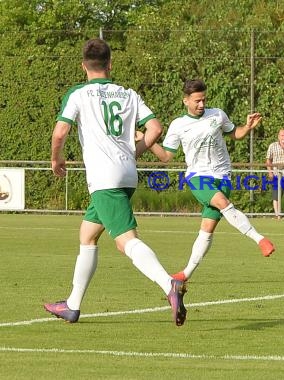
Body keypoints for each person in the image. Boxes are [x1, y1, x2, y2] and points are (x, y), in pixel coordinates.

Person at [44, 38, 187, 326]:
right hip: (126, 174)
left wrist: (56, 160)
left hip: (104, 177)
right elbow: (155, 128)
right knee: (88, 235)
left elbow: (60, 133)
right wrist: (135, 151)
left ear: (84, 66)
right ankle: (72, 305)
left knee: (125, 242)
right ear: (110, 64)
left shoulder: (78, 94)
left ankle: (168, 283)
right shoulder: (128, 94)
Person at [149, 79, 275, 283]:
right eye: (197, 100)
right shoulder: (178, 125)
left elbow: (236, 134)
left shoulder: (217, 114)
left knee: (207, 228)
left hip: (223, 176)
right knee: (223, 203)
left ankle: (185, 274)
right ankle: (260, 239)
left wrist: (248, 126)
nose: (201, 104)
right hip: (198, 177)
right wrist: (148, 141)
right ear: (185, 101)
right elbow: (166, 156)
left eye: (204, 100)